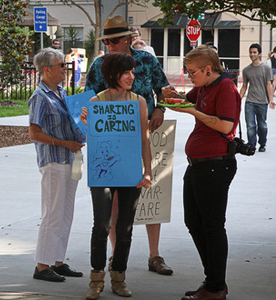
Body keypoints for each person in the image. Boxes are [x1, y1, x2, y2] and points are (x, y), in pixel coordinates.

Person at [85, 15, 172, 276]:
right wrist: (87, 117)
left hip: (149, 131)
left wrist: (161, 110)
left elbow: (163, 89)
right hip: (113, 142)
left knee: (153, 194)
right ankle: (114, 256)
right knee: (113, 203)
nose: (110, 45)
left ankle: (154, 255)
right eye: (107, 41)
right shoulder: (99, 65)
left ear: (127, 39)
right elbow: (88, 99)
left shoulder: (147, 60)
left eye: (114, 40)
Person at [162, 44, 240, 300]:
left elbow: (226, 124)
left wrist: (192, 111)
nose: (189, 75)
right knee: (194, 222)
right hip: (199, 164)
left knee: (212, 226)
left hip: (215, 164)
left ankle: (216, 287)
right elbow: (187, 101)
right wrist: (171, 95)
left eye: (193, 71)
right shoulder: (205, 86)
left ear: (209, 69)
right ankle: (213, 280)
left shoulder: (226, 88)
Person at [81, 53, 152, 299]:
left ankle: (119, 276)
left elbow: (144, 139)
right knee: (101, 225)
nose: (131, 77)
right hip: (103, 173)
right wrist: (86, 122)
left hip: (130, 171)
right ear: (112, 75)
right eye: (125, 73)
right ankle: (96, 278)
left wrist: (148, 170)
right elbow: (92, 139)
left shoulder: (139, 102)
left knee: (125, 227)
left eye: (132, 72)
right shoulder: (96, 101)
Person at [28, 48, 84, 283]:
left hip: (70, 159)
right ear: (46, 70)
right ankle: (42, 265)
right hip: (53, 160)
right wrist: (65, 143)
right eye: (61, 65)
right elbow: (34, 133)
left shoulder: (61, 92)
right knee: (52, 213)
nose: (65, 69)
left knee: (65, 213)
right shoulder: (39, 97)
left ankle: (58, 261)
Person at [238, 43, 276, 152]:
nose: (252, 54)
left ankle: (262, 143)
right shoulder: (246, 70)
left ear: (259, 54)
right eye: (250, 52)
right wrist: (238, 99)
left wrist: (270, 100)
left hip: (262, 102)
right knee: (250, 126)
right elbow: (244, 87)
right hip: (250, 101)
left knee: (262, 126)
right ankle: (251, 145)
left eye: (254, 52)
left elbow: (269, 85)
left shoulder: (266, 69)